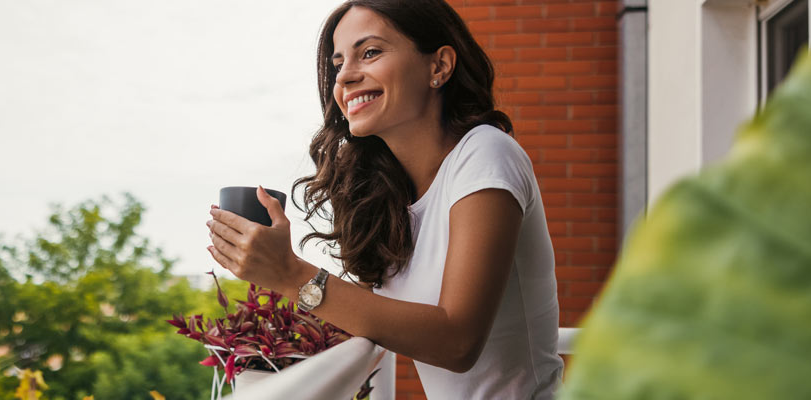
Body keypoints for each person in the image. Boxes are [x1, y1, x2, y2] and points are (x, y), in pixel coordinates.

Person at [205, 0, 563, 398]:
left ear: (439, 66)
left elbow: (458, 342)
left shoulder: (486, 153)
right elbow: (379, 317)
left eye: (370, 52)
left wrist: (290, 273)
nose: (345, 77)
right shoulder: (388, 195)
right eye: (338, 63)